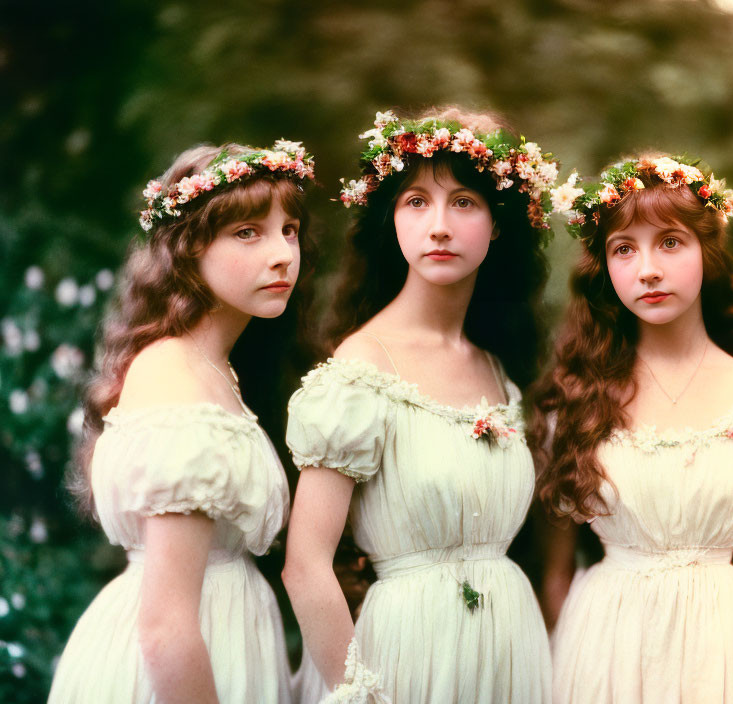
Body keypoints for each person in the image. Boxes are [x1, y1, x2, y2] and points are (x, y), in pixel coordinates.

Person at [535, 156, 733, 703]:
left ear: (708, 254)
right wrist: (572, 651)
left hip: (723, 651)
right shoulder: (579, 400)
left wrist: (728, 601)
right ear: (606, 269)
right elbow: (555, 572)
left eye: (670, 242)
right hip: (604, 646)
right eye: (624, 249)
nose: (647, 268)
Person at [282, 108, 557, 703]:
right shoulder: (361, 371)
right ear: (393, 221)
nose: (439, 226)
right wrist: (358, 693)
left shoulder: (499, 367)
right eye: (416, 202)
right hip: (406, 656)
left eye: (464, 202)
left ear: (498, 223)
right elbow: (305, 566)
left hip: (509, 650)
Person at [48, 140, 316, 704]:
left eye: (289, 229)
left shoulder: (211, 368)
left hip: (223, 640)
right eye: (248, 232)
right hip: (184, 659)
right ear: (190, 248)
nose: (282, 254)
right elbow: (167, 625)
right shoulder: (178, 379)